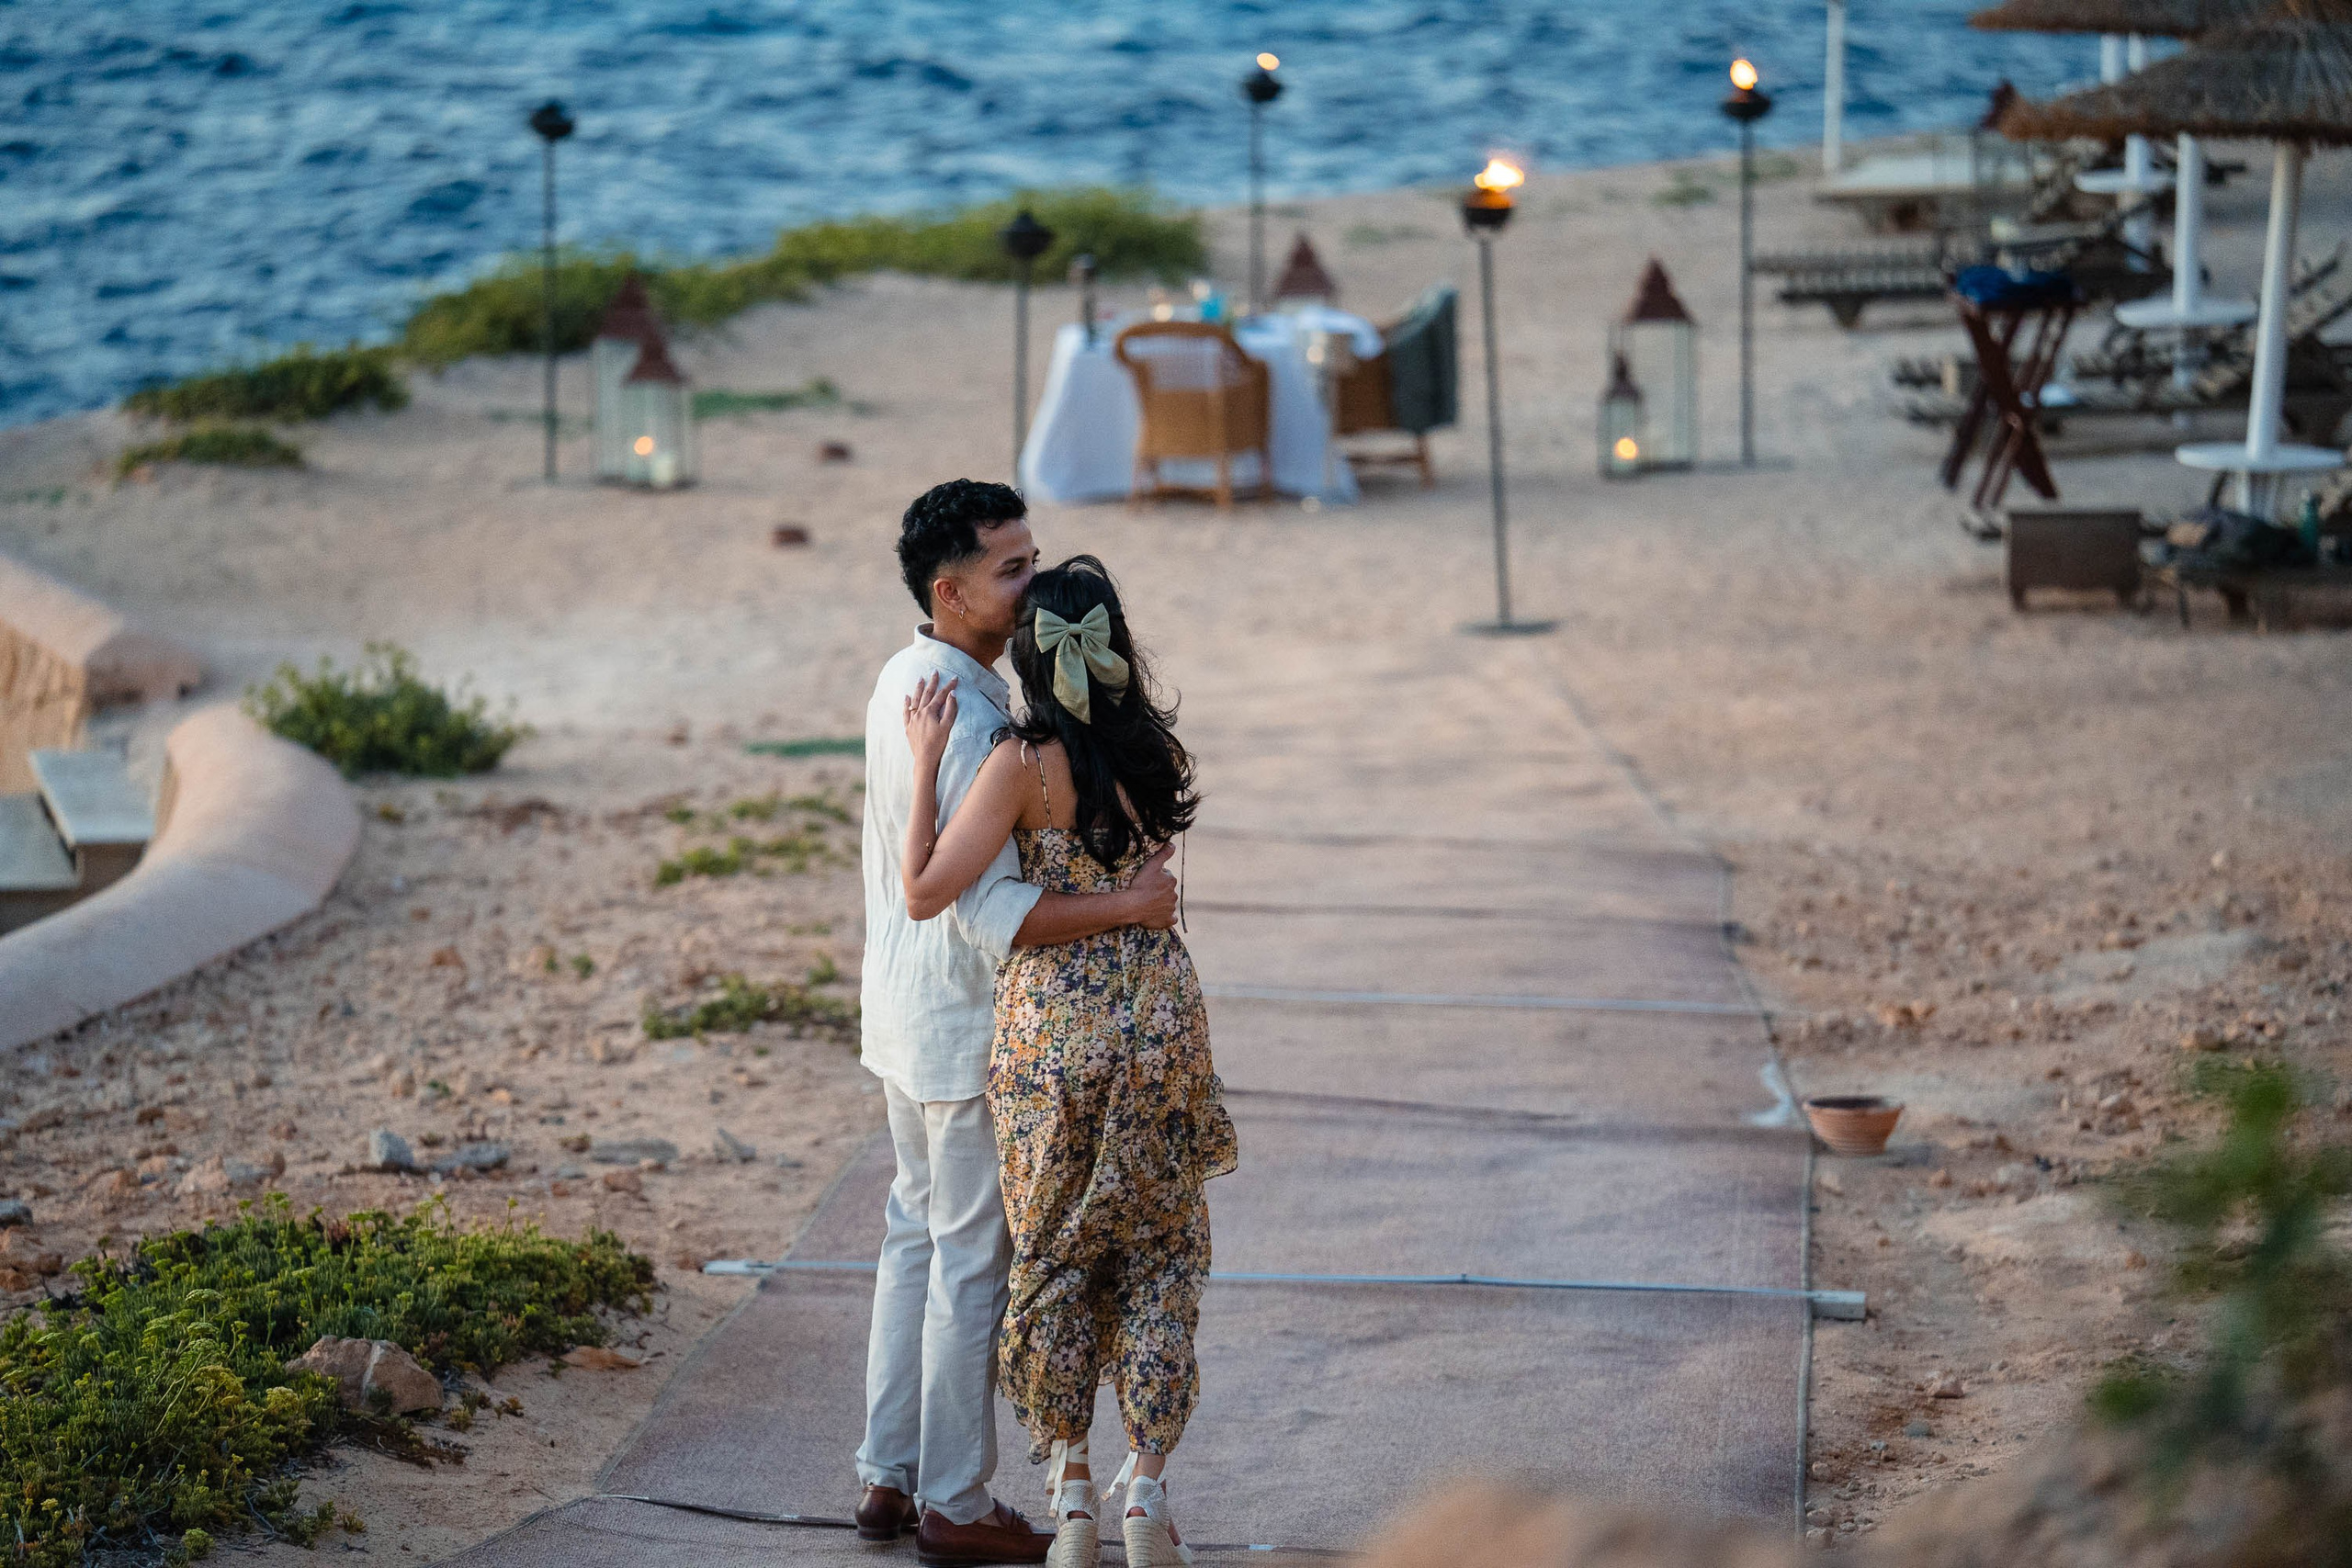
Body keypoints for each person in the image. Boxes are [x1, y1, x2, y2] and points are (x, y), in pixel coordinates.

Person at [858, 482, 1182, 1568]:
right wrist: (1130, 907)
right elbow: (996, 913)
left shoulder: (904, 681)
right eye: (1011, 568)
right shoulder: (981, 720)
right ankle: (954, 1498)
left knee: (915, 1237)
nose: (1034, 583)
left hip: (897, 1015)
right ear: (950, 592)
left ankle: (886, 1471)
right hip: (957, 1026)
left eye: (1033, 558)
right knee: (969, 1263)